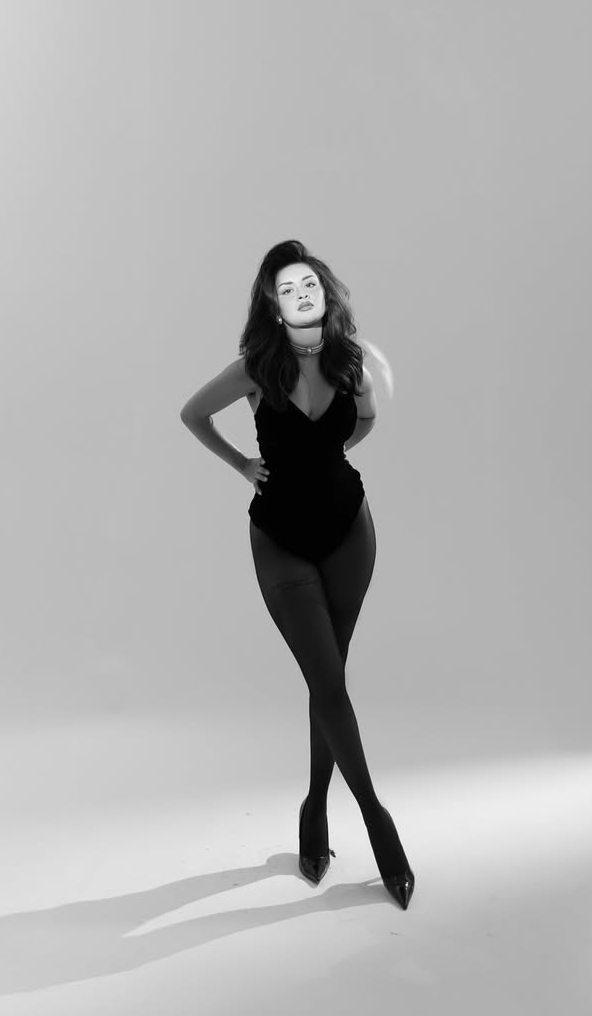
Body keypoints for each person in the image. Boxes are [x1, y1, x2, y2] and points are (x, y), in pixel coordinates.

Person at [179, 239, 415, 910]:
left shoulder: (351, 360)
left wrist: (322, 456)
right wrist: (241, 465)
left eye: (308, 283)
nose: (300, 294)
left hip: (350, 532)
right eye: (285, 288)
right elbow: (193, 414)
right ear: (272, 303)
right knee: (328, 682)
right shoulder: (256, 369)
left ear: (324, 291)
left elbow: (365, 420)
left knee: (328, 678)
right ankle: (376, 819)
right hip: (280, 539)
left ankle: (315, 804)